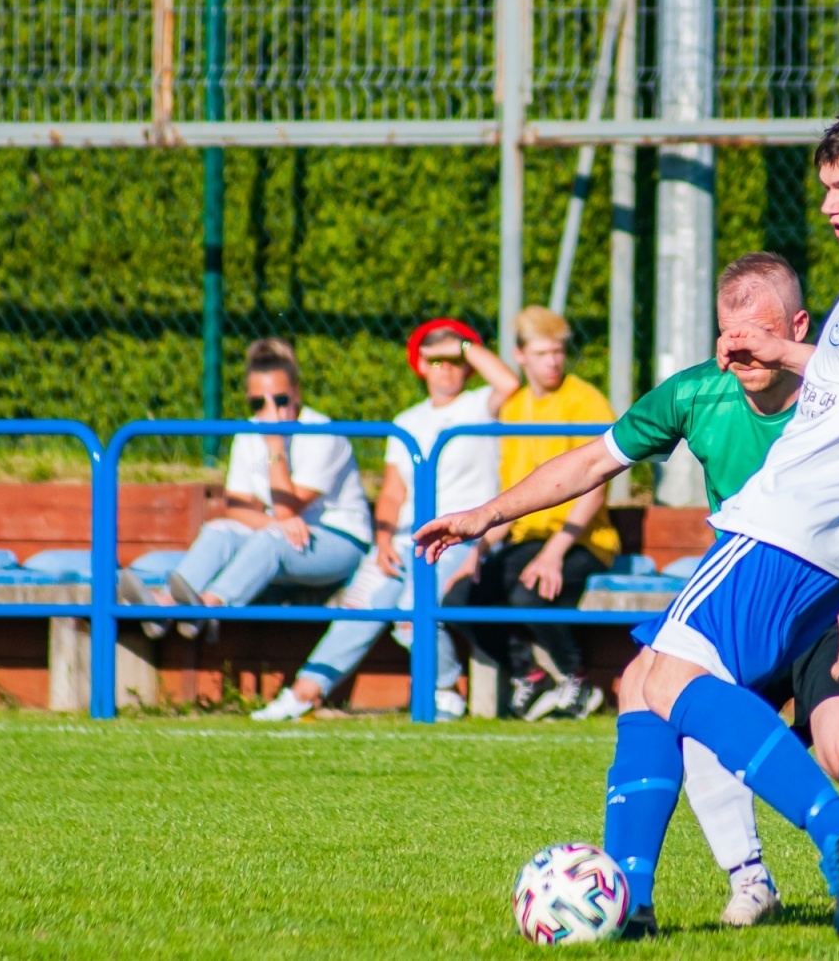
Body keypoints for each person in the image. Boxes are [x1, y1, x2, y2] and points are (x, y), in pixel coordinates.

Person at [419, 110, 839, 940]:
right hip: (821, 546)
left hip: (789, 527)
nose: (831, 206)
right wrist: (788, 353)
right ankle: (637, 900)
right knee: (652, 684)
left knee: (660, 682)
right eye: (825, 189)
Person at [250, 320, 519, 723]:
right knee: (362, 604)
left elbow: (509, 383)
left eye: (454, 360)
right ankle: (305, 692)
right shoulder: (407, 420)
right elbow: (393, 493)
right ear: (420, 365)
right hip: (406, 538)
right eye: (435, 359)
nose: (445, 368)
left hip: (459, 537)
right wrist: (382, 541)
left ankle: (444, 689)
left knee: (413, 608)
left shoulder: (480, 405)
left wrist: (460, 345)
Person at [120, 338, 372, 641]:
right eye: (257, 403)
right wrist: (272, 524)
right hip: (283, 535)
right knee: (219, 530)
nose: (269, 413)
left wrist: (275, 446)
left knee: (271, 541)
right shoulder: (248, 432)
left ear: (297, 394)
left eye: (280, 400)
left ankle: (208, 608)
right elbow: (236, 507)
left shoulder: (323, 433)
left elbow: (287, 510)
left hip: (339, 542)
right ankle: (164, 606)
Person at [473, 305, 621, 722]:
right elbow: (513, 494)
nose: (554, 361)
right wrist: (478, 547)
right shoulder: (514, 406)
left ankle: (578, 682)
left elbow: (595, 489)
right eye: (542, 353)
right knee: (462, 592)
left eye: (558, 351)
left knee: (529, 592)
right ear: (519, 356)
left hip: (582, 538)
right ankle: (529, 675)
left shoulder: (585, 400)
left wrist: (554, 553)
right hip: (528, 538)